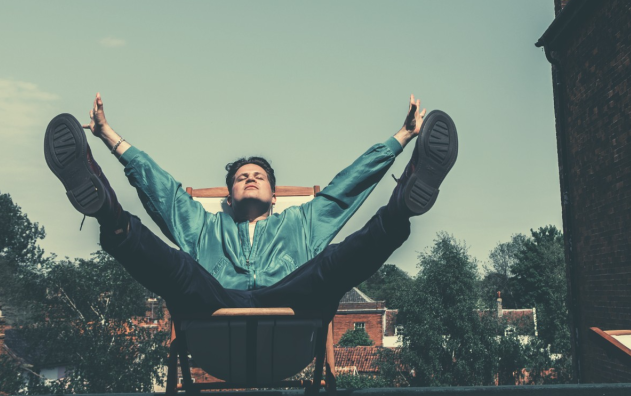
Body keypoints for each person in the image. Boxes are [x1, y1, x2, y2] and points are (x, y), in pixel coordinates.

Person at [43, 93, 457, 318]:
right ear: (228, 197)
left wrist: (401, 139)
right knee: (180, 268)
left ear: (275, 196)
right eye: (242, 177)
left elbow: (344, 189)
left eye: (259, 175)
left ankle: (403, 205)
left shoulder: (301, 223)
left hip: (294, 313)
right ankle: (105, 210)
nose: (250, 177)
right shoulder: (204, 228)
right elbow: (163, 190)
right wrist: (110, 138)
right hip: (214, 309)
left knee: (330, 264)